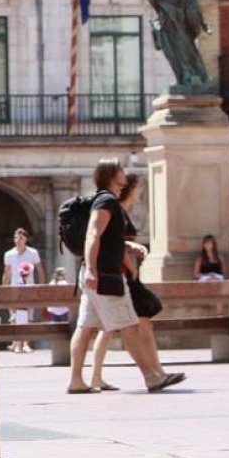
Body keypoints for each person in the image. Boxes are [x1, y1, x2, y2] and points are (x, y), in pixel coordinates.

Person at [66, 158, 185, 395]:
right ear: (112, 175)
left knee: (86, 326)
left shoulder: (105, 201)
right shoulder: (107, 200)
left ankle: (76, 380)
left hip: (96, 274)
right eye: (121, 170)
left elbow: (108, 238)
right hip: (105, 275)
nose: (126, 174)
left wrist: (128, 247)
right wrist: (92, 268)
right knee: (130, 326)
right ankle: (151, 377)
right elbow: (93, 234)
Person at [88, 173, 175, 392]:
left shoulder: (120, 211)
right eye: (137, 188)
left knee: (126, 325)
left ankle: (156, 372)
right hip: (121, 275)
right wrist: (131, 263)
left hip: (121, 274)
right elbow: (114, 242)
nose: (140, 192)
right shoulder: (116, 210)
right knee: (118, 327)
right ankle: (152, 374)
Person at [147, 0, 213, 87]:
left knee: (175, 52)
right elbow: (196, 10)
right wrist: (203, 25)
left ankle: (187, 76)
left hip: (171, 24)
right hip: (182, 24)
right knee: (186, 51)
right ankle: (187, 76)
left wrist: (164, 8)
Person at [2, 228, 44, 353]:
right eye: (16, 238)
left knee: (28, 316)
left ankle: (26, 343)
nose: (18, 240)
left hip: (29, 287)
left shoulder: (32, 253)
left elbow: (39, 269)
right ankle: (16, 343)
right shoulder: (9, 254)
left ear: (26, 239)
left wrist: (41, 286)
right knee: (14, 316)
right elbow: (7, 272)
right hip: (14, 287)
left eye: (21, 238)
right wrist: (5, 288)